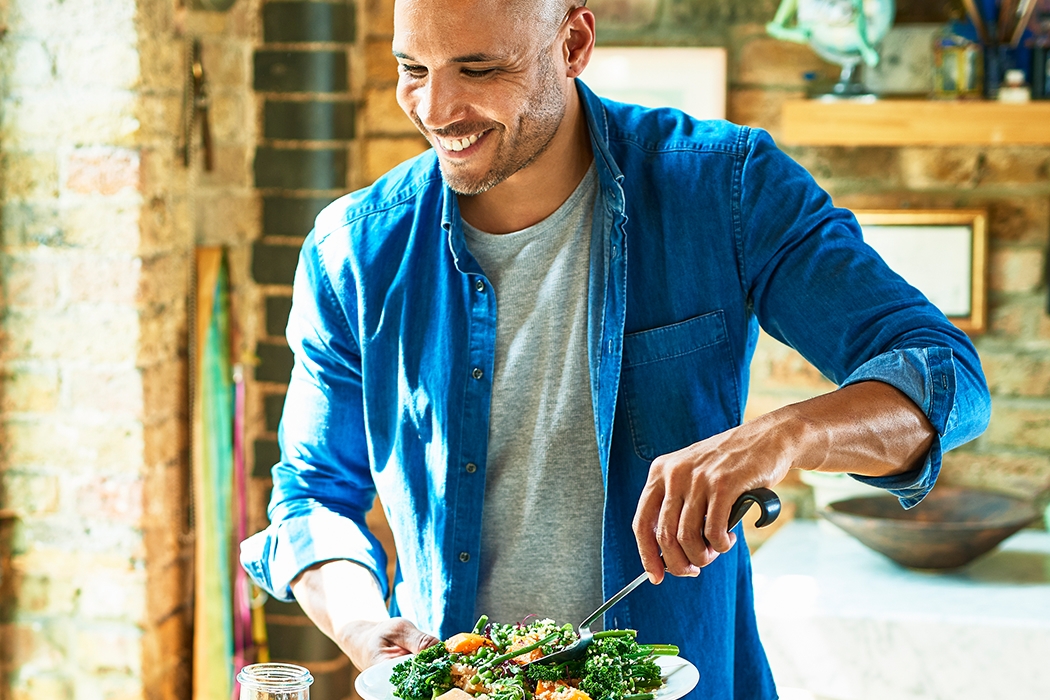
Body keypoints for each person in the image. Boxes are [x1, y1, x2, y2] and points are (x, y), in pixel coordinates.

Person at [240, 1, 991, 698]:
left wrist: (785, 435)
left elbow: (944, 375)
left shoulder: (726, 189)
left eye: (479, 69)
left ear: (573, 43)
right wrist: (364, 629)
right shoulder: (353, 252)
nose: (436, 110)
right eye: (413, 69)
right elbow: (313, 499)